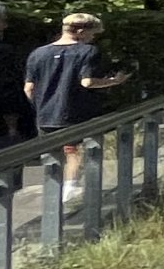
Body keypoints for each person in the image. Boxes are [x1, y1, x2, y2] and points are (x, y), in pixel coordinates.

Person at [23, 12, 133, 204]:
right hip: (75, 111)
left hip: (44, 114)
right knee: (74, 151)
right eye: (92, 34)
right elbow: (87, 82)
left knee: (53, 154)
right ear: (81, 31)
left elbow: (29, 88)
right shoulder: (88, 51)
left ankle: (54, 192)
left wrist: (39, 107)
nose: (93, 38)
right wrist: (114, 81)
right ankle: (70, 189)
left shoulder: (37, 53)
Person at [0, 2, 27, 153]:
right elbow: (5, 89)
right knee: (6, 172)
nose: (4, 26)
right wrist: (12, 124)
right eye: (1, 20)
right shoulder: (1, 52)